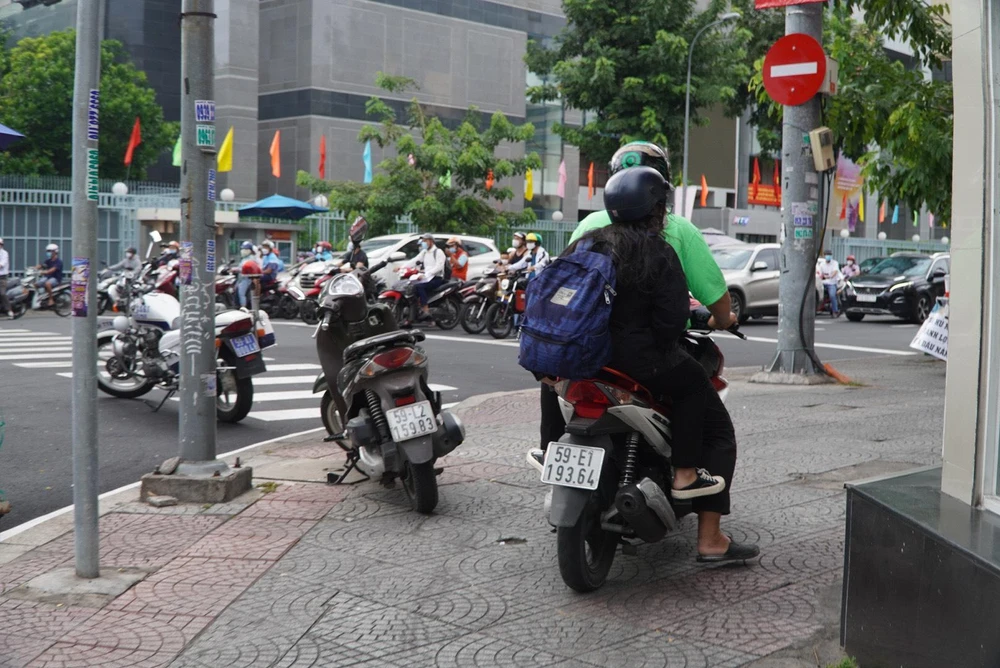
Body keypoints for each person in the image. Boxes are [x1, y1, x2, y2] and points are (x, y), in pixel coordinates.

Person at [531, 140, 757, 563]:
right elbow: (673, 321)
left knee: (554, 380)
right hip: (640, 362)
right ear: (656, 204)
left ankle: (550, 450)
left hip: (581, 357)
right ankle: (700, 514)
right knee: (711, 418)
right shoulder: (665, 245)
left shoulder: (585, 239)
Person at [401, 232, 446, 320]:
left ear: (431, 241)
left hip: (436, 278)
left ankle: (426, 310)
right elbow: (415, 260)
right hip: (426, 277)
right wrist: (402, 267)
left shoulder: (438, 252)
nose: (423, 242)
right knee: (410, 287)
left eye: (425, 240)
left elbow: (439, 266)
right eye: (423, 240)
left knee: (420, 287)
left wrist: (426, 274)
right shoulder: (425, 252)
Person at [36, 243, 63, 308]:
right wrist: (34, 268)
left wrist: (45, 272)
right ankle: (40, 297)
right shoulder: (48, 261)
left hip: (56, 278)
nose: (48, 253)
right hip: (48, 277)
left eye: (50, 251)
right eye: (47, 251)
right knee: (36, 284)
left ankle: (51, 299)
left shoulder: (58, 261)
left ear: (55, 252)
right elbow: (42, 265)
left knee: (47, 284)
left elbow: (52, 270)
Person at [818, 249, 842, 317]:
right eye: (826, 255)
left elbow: (835, 272)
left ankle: (835, 311)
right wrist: (822, 277)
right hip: (823, 283)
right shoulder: (822, 264)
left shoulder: (835, 263)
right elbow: (820, 274)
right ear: (824, 256)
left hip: (832, 283)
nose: (828, 256)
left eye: (829, 255)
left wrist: (830, 276)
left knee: (832, 295)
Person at [236, 241, 259, 308]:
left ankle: (243, 307)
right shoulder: (244, 258)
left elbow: (245, 268)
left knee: (242, 294)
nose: (243, 251)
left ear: (250, 250)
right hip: (241, 278)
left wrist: (236, 269)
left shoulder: (251, 258)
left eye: (245, 249)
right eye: (242, 249)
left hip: (246, 279)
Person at [0, 238, 12, 318]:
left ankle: (9, 310)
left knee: (2, 293)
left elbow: (2, 264)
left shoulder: (4, 253)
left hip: (2, 278)